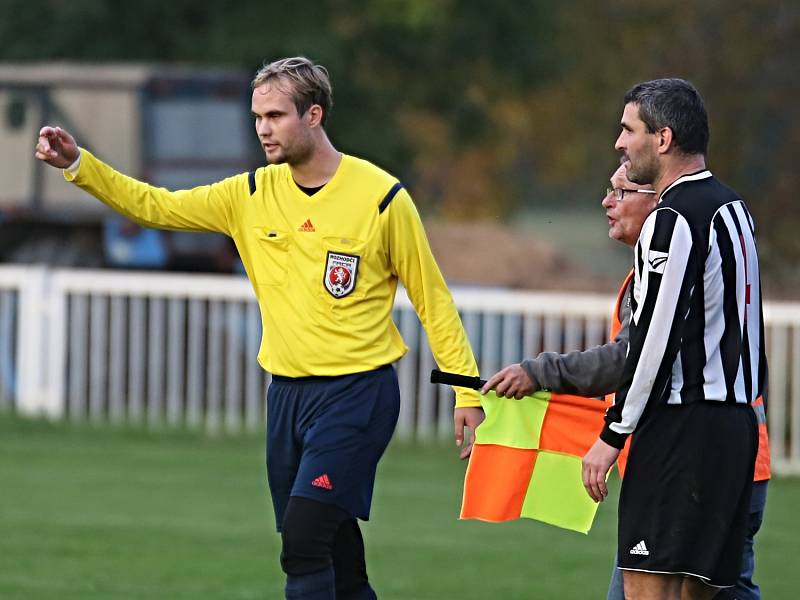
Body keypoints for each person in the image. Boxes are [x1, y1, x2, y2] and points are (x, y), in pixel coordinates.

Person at [35, 56, 484, 600]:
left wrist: (466, 389)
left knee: (302, 541)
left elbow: (432, 299)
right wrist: (79, 164)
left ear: (313, 114)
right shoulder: (247, 195)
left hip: (357, 394)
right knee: (335, 552)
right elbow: (156, 206)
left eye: (275, 115)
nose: (263, 128)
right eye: (257, 117)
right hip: (286, 397)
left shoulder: (382, 198)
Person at [582, 78, 766, 599]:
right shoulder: (735, 211)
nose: (619, 142)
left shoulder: (670, 218)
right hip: (736, 431)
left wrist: (612, 435)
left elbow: (652, 343)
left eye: (628, 129)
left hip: (681, 433)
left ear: (662, 140)